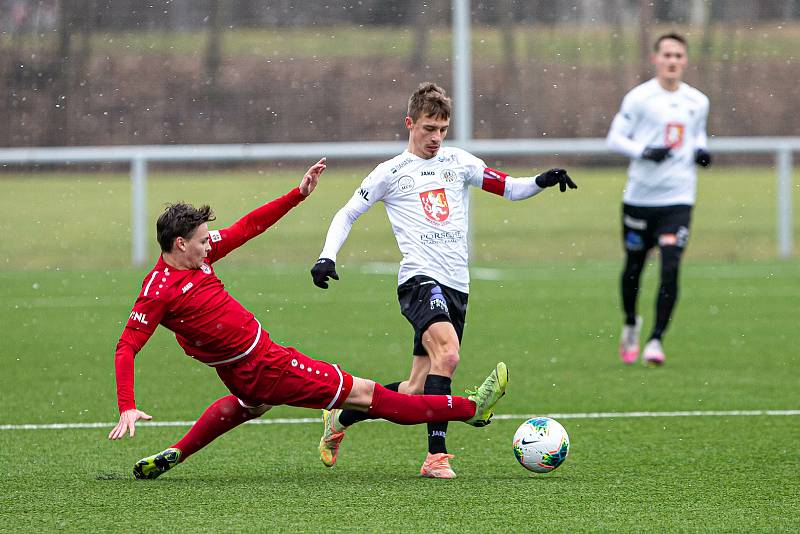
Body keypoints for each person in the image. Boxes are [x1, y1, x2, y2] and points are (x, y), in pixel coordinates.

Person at [107, 158, 508, 480]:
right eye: (200, 241)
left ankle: (179, 452)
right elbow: (127, 346)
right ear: (180, 244)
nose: (208, 243)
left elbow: (248, 226)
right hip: (266, 365)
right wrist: (127, 404)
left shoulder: (197, 257)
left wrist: (296, 195)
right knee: (369, 394)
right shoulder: (158, 292)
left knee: (249, 406)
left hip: (244, 369)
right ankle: (471, 409)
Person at [310, 82, 576, 479]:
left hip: (457, 285)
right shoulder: (391, 172)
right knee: (449, 355)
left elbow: (508, 188)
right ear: (410, 123)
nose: (435, 138)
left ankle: (341, 419)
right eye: (428, 128)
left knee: (417, 390)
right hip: (419, 279)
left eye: (442, 129)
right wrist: (326, 256)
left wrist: (541, 179)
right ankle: (436, 457)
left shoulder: (460, 162)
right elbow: (346, 213)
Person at [606, 33, 711, 366]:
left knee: (670, 267)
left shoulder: (698, 101)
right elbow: (614, 138)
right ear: (656, 59)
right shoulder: (639, 98)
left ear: (685, 60)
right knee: (634, 267)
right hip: (640, 198)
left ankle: (656, 339)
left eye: (678, 55)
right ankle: (631, 322)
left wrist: (701, 151)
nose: (672, 61)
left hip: (678, 198)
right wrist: (643, 151)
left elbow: (696, 133)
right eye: (667, 54)